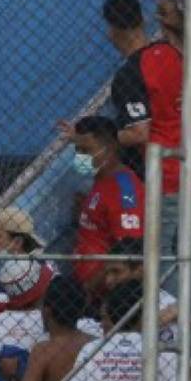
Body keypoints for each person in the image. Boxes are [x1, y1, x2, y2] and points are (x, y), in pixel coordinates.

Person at [102, 0, 191, 363]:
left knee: (165, 256)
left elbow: (139, 132)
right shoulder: (171, 54)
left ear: (115, 29)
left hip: (165, 174)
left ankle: (177, 338)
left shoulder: (131, 73)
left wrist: (103, 138)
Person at [57, 115, 144, 298]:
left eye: (86, 151)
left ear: (110, 147)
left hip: (106, 295)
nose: (81, 157)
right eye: (77, 150)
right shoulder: (102, 177)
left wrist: (89, 289)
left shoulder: (124, 189)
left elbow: (128, 252)